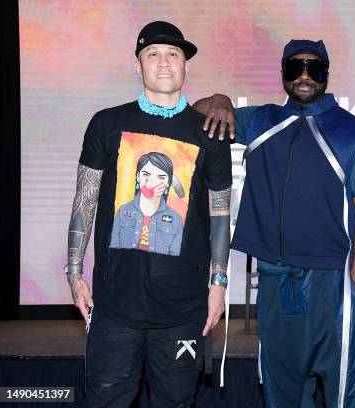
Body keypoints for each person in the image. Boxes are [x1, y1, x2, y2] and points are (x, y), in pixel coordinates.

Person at [194, 39, 355, 407]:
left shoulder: (352, 132)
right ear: (283, 72)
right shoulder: (262, 120)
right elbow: (196, 114)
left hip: (331, 283)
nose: (303, 76)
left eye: (313, 68)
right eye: (295, 67)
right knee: (282, 395)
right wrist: (220, 98)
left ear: (325, 74)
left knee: (348, 394)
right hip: (273, 279)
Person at [65, 21, 232, 407]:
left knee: (175, 401)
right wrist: (74, 272)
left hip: (182, 309)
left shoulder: (208, 133)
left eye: (173, 54)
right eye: (152, 54)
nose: (163, 62)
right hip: (114, 307)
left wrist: (219, 284)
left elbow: (221, 215)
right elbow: (84, 201)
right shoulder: (106, 123)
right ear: (137, 66)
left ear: (186, 67)